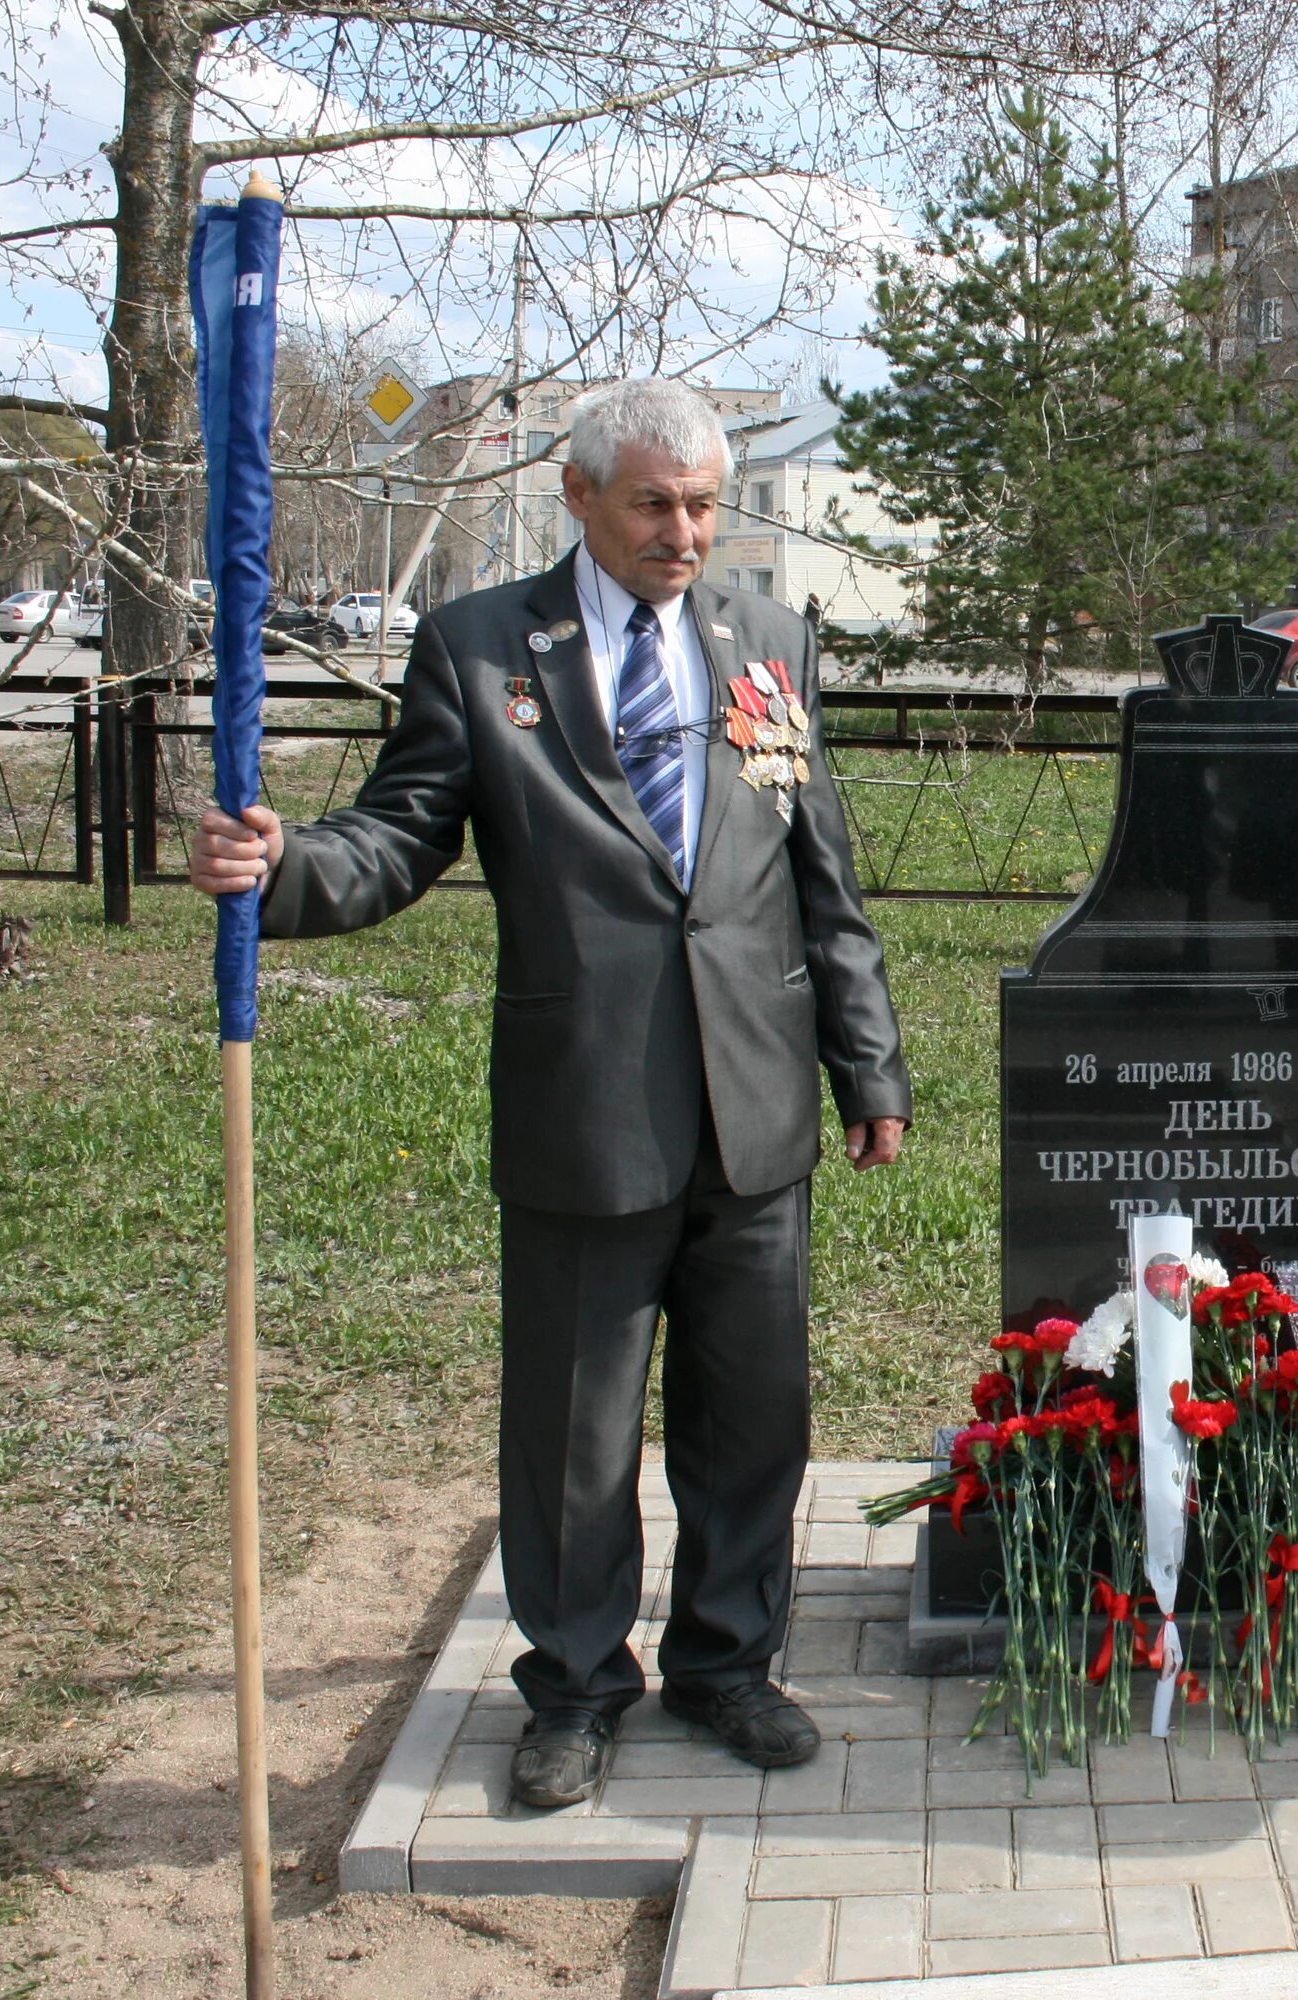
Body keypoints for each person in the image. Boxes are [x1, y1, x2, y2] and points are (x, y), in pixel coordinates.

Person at [186, 378, 913, 1809]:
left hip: (754, 1101)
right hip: (587, 1102)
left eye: (706, 504)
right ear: (579, 496)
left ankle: (725, 1663)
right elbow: (401, 835)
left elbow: (819, 873)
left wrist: (867, 1063)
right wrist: (284, 872)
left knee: (751, 1409)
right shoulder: (479, 649)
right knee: (577, 1427)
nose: (685, 532)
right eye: (655, 504)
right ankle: (575, 1686)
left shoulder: (765, 644)